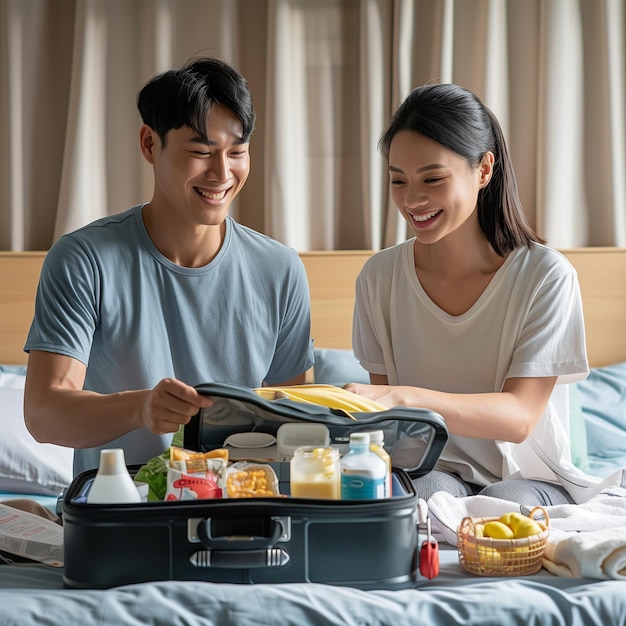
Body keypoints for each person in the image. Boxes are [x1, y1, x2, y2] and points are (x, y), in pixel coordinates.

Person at [23, 57, 314, 477]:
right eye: (200, 152)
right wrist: (140, 408)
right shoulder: (83, 259)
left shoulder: (280, 268)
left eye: (237, 152)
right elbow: (44, 413)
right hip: (122, 509)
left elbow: (295, 429)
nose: (221, 173)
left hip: (242, 508)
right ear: (149, 144)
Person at [344, 83, 602, 506]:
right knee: (424, 498)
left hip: (527, 476)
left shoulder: (545, 276)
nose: (412, 199)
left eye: (433, 178)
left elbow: (519, 417)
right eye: (398, 180)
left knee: (502, 505)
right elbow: (393, 425)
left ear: (484, 169)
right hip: (429, 469)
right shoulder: (379, 278)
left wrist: (404, 396)